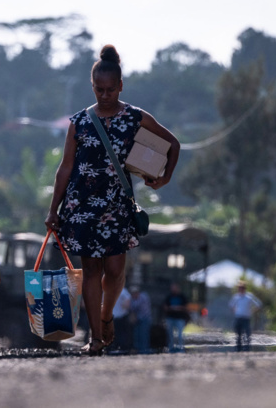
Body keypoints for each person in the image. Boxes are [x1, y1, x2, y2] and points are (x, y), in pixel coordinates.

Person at [45, 44, 180, 356]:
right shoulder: (79, 122)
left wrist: (165, 176)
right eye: (98, 89)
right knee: (91, 271)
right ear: (92, 87)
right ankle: (95, 336)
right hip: (80, 206)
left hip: (117, 204)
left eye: (110, 90)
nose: (104, 95)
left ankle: (106, 315)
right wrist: (53, 209)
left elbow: (172, 143)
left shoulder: (135, 117)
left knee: (116, 270)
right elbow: (65, 168)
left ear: (121, 86)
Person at [229, 280, 262, 352]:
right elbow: (231, 305)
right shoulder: (236, 297)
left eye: (241, 287)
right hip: (238, 317)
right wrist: (236, 311)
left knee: (247, 334)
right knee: (238, 334)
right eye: (239, 287)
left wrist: (252, 311)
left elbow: (258, 304)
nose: (240, 289)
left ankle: (247, 348)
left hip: (246, 318)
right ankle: (238, 348)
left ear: (244, 288)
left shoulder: (249, 296)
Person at [163, 283, 189, 353]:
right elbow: (165, 307)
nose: (173, 289)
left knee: (180, 335)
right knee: (170, 335)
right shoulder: (169, 297)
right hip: (170, 318)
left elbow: (186, 307)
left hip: (180, 319)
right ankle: (171, 349)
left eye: (174, 288)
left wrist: (178, 308)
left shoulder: (182, 297)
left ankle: (181, 350)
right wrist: (170, 308)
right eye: (172, 288)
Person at [129, 285, 152, 354]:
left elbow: (134, 307)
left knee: (144, 336)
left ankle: (144, 351)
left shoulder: (144, 297)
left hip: (145, 319)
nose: (133, 294)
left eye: (134, 292)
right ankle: (138, 351)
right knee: (137, 336)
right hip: (138, 320)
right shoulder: (133, 299)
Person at [109, 286, 131, 353]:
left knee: (116, 335)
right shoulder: (122, 290)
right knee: (120, 335)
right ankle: (119, 349)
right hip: (118, 316)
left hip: (116, 317)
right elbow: (127, 303)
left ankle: (115, 349)